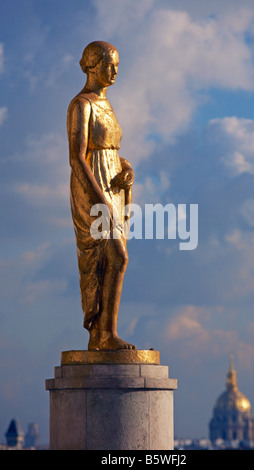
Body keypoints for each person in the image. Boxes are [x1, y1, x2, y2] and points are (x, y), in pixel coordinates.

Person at [67, 41, 135, 350]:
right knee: (114, 257)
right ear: (93, 65)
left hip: (113, 186)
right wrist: (100, 200)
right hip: (91, 187)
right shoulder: (81, 104)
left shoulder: (107, 104)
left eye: (117, 65)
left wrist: (125, 168)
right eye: (109, 65)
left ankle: (103, 334)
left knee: (116, 260)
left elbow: (110, 151)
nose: (115, 70)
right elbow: (77, 157)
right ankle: (105, 334)